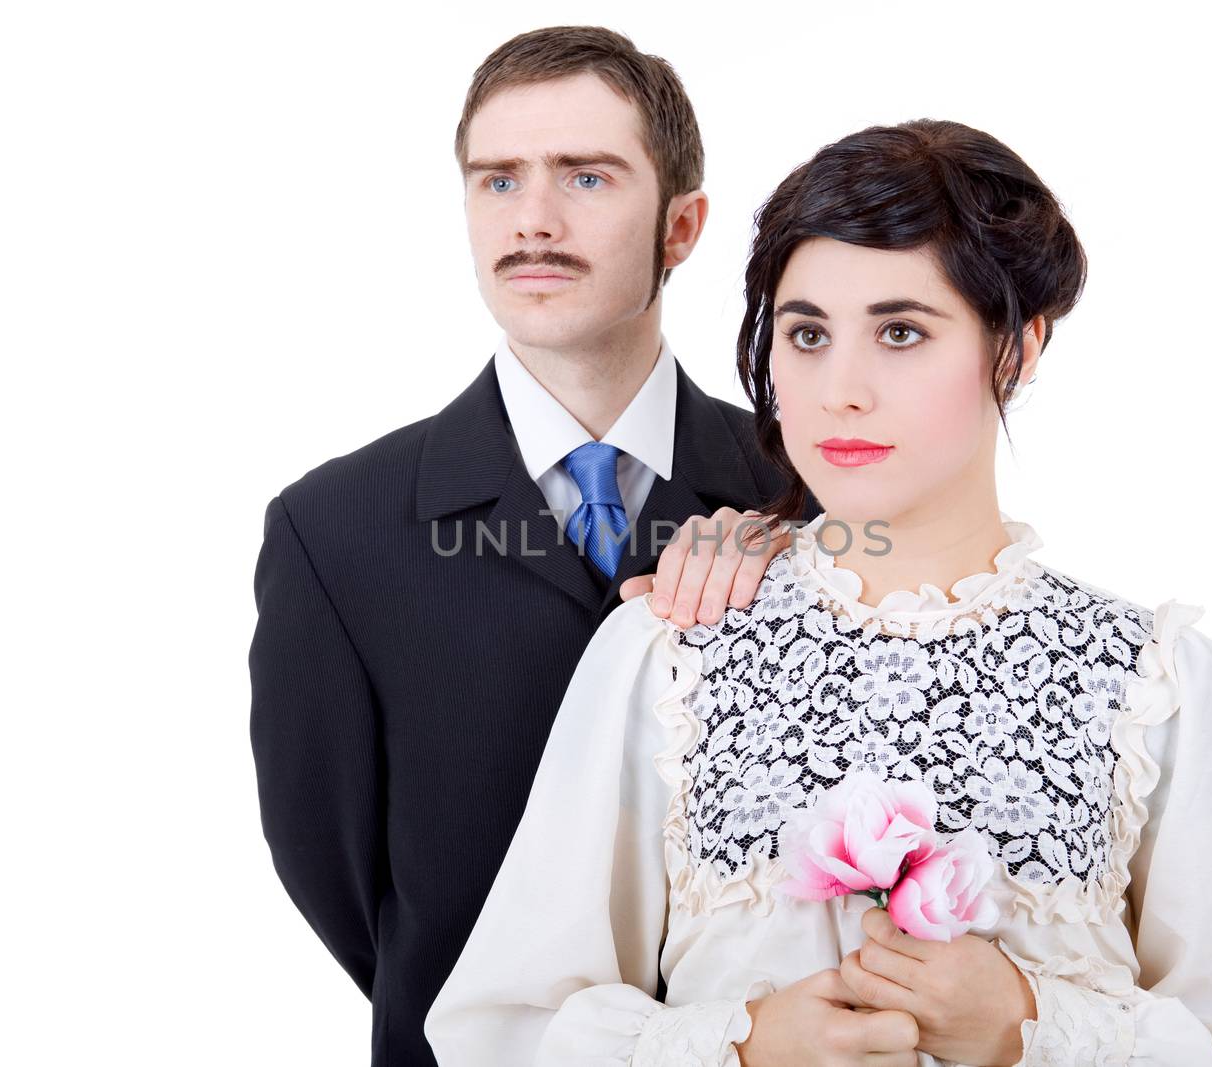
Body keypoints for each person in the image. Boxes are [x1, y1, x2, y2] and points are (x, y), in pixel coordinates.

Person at [424, 118, 1212, 1065]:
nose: (842, 389)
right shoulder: (670, 652)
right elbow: (503, 1030)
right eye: (808, 334)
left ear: (1019, 347)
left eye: (901, 332)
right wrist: (737, 1047)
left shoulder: (1156, 685)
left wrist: (1030, 1026)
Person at [247, 27, 817, 1067]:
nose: (534, 222)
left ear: (681, 224)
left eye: (586, 176)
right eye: (497, 181)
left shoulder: (806, 494)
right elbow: (329, 868)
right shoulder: (332, 530)